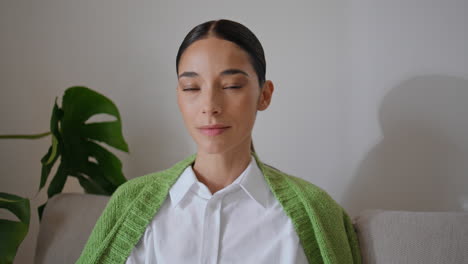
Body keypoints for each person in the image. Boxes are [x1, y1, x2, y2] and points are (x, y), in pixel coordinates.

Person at [77, 19, 362, 264]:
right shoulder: (129, 203)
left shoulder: (315, 212)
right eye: (192, 88)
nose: (210, 105)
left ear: (264, 95)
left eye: (231, 86)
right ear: (178, 95)